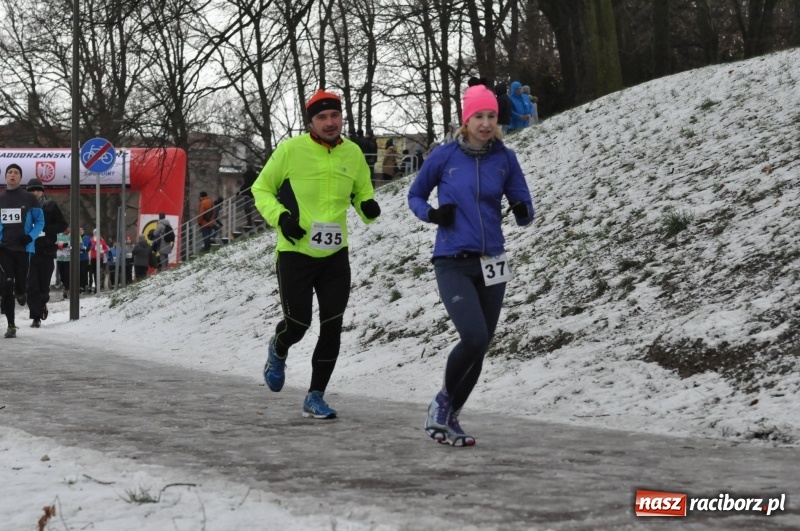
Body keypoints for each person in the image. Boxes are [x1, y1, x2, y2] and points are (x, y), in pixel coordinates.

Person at [407, 84, 534, 446]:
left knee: (482, 345)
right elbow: (415, 194)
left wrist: (523, 211)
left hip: (492, 261)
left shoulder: (505, 158)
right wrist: (432, 214)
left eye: (491, 116)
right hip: (452, 261)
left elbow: (522, 200)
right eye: (478, 115)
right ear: (466, 120)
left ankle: (451, 418)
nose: (485, 122)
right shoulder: (444, 157)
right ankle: (442, 404)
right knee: (474, 336)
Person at [252, 88, 381, 419]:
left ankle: (315, 396)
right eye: (322, 117)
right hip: (296, 251)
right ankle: (278, 349)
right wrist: (281, 218)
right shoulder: (291, 151)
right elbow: (261, 189)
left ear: (341, 117)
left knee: (332, 326)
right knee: (298, 323)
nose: (329, 122)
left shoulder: (352, 154)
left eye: (334, 115)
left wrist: (366, 205)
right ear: (311, 122)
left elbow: (362, 190)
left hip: (335, 255)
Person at [0, 164, 44, 338]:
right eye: (9, 172)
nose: (12, 175)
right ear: (5, 177)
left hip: (24, 248)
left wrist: (30, 236)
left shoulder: (29, 198)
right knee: (7, 282)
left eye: (16, 173)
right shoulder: (1, 198)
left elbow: (40, 221)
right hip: (4, 248)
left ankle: (21, 291)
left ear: (20, 177)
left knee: (19, 282)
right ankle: (11, 325)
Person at [25, 178, 67, 327]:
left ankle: (43, 302)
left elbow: (63, 224)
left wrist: (45, 229)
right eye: (32, 190)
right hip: (29, 251)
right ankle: (35, 317)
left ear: (42, 191)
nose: (35, 193)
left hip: (47, 251)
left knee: (43, 286)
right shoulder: (24, 207)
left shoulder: (50, 206)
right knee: (31, 286)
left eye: (38, 190)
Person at [88, 229, 109, 293]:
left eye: (97, 233)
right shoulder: (91, 239)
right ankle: (90, 286)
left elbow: (106, 249)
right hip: (92, 258)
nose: (96, 234)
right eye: (95, 233)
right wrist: (94, 243)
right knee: (92, 272)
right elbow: (89, 248)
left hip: (100, 258)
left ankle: (97, 287)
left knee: (98, 272)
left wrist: (103, 251)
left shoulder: (102, 240)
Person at [56, 229, 71, 297]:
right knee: (61, 276)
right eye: (64, 229)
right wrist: (62, 246)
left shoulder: (72, 236)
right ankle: (65, 286)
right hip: (60, 258)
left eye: (67, 229)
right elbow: (55, 245)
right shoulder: (58, 235)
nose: (65, 230)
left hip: (68, 259)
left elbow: (76, 245)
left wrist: (69, 246)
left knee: (67, 274)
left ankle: (66, 288)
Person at [79, 227, 90, 293]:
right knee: (79, 272)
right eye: (79, 230)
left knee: (84, 272)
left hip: (85, 257)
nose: (80, 231)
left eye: (81, 230)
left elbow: (90, 245)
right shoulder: (75, 237)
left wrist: (87, 249)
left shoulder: (86, 237)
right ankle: (80, 285)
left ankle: (85, 285)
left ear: (83, 231)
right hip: (78, 258)